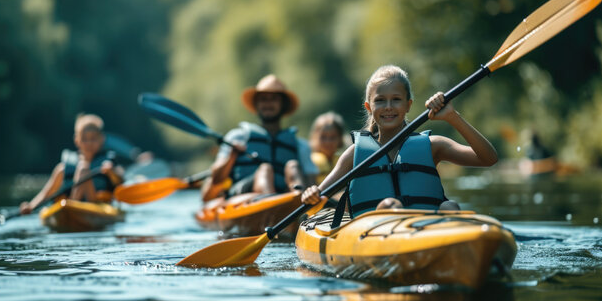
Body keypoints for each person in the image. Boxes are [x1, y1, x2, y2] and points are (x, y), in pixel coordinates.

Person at [301, 65, 498, 217]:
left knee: (450, 207)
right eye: (380, 100)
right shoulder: (354, 154)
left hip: (427, 230)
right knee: (390, 205)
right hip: (376, 235)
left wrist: (453, 117)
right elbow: (319, 197)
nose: (388, 107)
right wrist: (312, 193)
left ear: (408, 105)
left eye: (396, 99)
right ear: (369, 107)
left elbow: (488, 158)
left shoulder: (433, 146)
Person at [202, 74, 317, 202]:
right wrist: (232, 155)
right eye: (263, 99)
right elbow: (216, 179)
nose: (268, 104)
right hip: (243, 196)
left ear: (282, 105)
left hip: (286, 200)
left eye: (273, 99)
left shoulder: (300, 146)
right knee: (265, 169)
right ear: (256, 105)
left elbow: (311, 183)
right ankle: (271, 205)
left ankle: (300, 205)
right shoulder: (237, 137)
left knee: (293, 166)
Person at [19, 114, 123, 214]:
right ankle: (72, 208)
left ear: (102, 139)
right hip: (72, 209)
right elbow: (47, 193)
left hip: (98, 206)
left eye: (93, 138)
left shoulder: (109, 162)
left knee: (83, 169)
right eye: (84, 139)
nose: (89, 143)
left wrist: (111, 172)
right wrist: (31, 206)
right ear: (77, 140)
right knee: (73, 169)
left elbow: (120, 181)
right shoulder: (65, 167)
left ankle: (73, 208)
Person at [309, 112, 345, 184]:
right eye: (323, 137)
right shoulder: (310, 162)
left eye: (333, 137)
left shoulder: (345, 160)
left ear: (340, 139)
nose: (327, 142)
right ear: (314, 137)